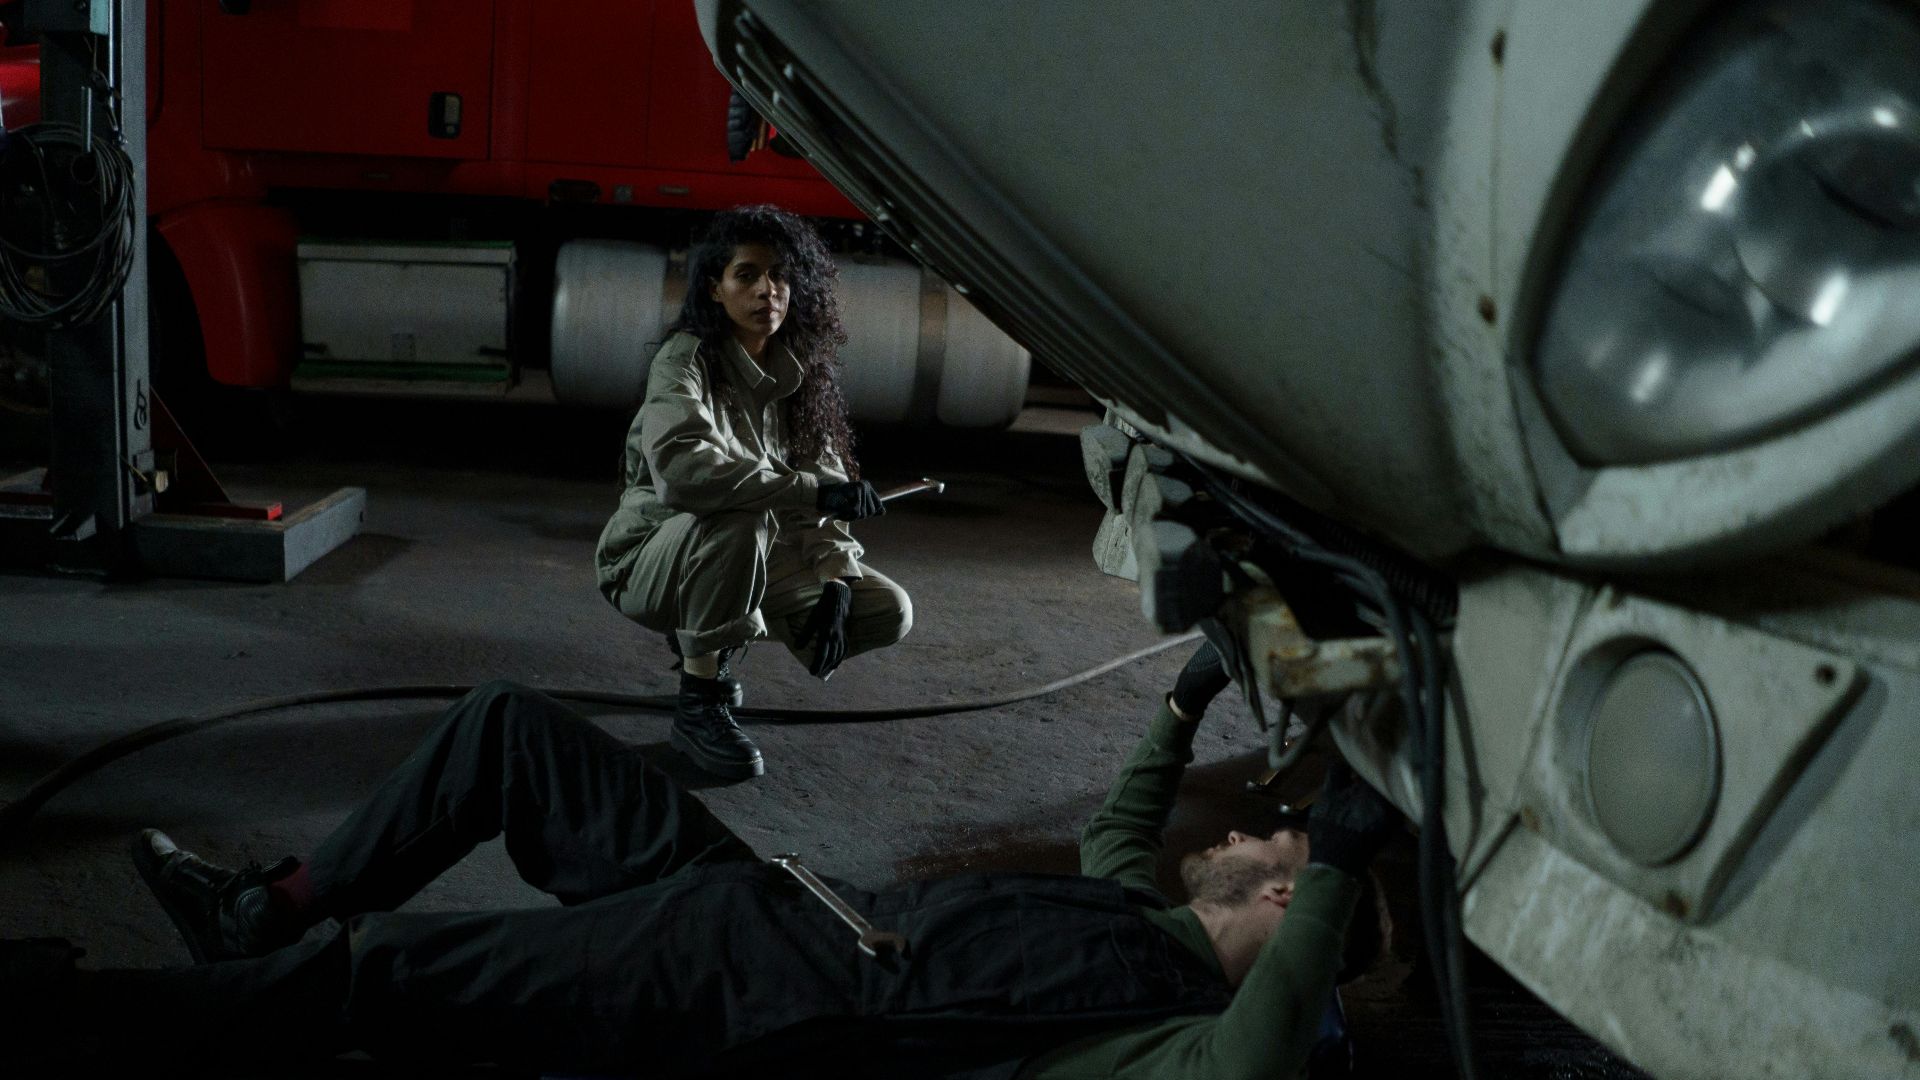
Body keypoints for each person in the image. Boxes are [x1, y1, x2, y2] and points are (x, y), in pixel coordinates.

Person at [1, 645, 1400, 1079]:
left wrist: (1349, 831)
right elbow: (1125, 817)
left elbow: (1275, 1042)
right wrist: (1190, 691)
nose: (1230, 834)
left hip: (751, 993)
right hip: (770, 901)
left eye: (1264, 843)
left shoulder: (1181, 1045)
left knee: (394, 978)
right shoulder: (1130, 912)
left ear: (1288, 901)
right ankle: (264, 909)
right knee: (511, 735)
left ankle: (59, 1011)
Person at [595, 204, 911, 781]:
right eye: (748, 275)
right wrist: (809, 493)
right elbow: (685, 472)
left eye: (782, 276)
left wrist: (837, 578)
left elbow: (828, 482)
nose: (770, 289)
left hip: (749, 556)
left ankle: (718, 632)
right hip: (648, 560)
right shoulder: (685, 359)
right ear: (715, 289)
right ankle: (700, 701)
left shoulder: (801, 373)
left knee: (888, 611)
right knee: (738, 517)